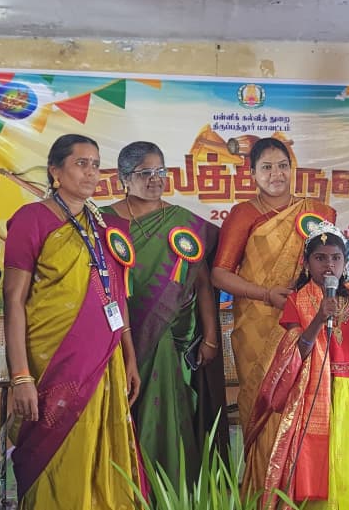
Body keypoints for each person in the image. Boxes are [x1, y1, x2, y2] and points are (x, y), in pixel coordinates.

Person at [3, 134, 144, 508]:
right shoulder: (32, 219)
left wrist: (129, 357)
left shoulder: (107, 226)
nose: (91, 172)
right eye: (81, 163)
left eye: (96, 164)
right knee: (54, 454)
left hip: (106, 360)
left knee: (102, 454)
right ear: (55, 170)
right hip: (52, 361)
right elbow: (13, 300)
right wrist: (21, 376)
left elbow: (117, 296)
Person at [211, 137, 336, 493]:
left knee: (306, 406)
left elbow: (331, 266)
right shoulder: (243, 214)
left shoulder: (317, 213)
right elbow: (219, 274)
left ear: (292, 169)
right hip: (257, 328)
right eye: (266, 167)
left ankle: (304, 490)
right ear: (252, 173)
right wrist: (266, 294)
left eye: (282, 166)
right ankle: (262, 492)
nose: (276, 174)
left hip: (307, 326)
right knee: (264, 407)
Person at [100, 140, 227, 481]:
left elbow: (203, 283)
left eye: (160, 171)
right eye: (145, 172)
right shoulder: (103, 221)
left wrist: (211, 337)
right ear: (124, 178)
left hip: (166, 341)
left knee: (167, 416)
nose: (156, 179)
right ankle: (125, 489)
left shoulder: (182, 222)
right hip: (114, 340)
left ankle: (166, 488)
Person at [246, 221, 349, 509]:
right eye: (320, 258)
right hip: (314, 395)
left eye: (336, 258)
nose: (329, 265)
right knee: (319, 462)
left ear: (345, 263)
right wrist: (318, 319)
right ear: (306, 263)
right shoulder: (298, 301)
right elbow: (295, 356)